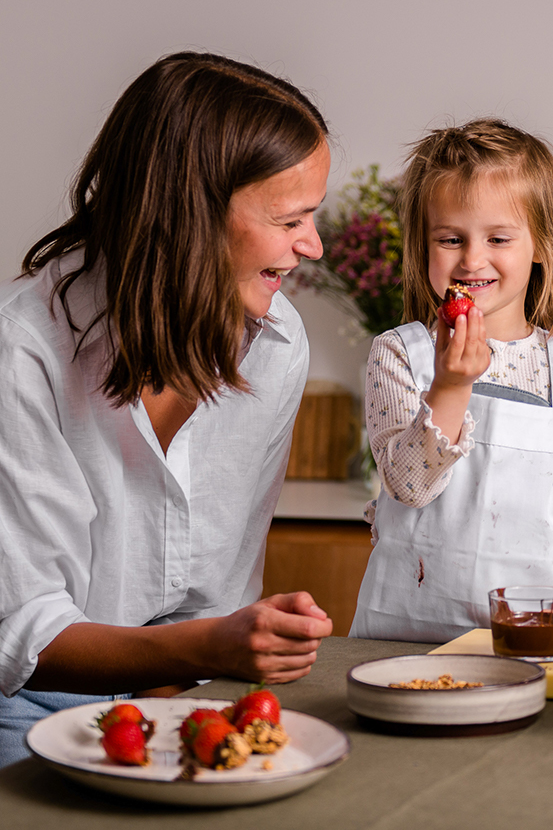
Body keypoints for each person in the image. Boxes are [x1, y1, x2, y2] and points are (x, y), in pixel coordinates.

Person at [0, 51, 334, 766]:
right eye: (291, 218)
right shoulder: (21, 352)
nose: (312, 244)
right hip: (23, 707)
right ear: (192, 214)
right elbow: (23, 630)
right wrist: (210, 644)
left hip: (184, 690)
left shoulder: (275, 345)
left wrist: (219, 655)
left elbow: (219, 591)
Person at [350, 118, 553, 642]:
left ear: (541, 244)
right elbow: (409, 487)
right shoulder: (398, 354)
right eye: (451, 238)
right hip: (402, 638)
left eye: (498, 237)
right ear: (423, 245)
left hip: (530, 636)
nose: (472, 259)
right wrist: (451, 385)